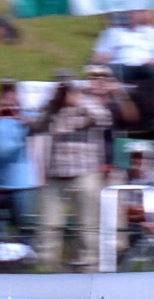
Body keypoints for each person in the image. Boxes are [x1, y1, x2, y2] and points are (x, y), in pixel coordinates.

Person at [35, 74, 113, 270]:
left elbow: (105, 118)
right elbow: (37, 126)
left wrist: (79, 99)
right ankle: (46, 269)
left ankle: (89, 270)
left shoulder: (89, 103)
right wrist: (54, 101)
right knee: (48, 226)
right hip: (56, 175)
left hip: (85, 174)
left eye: (68, 88)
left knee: (87, 227)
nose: (66, 93)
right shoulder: (53, 108)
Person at [91, 9, 154, 82]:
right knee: (113, 70)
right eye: (130, 11)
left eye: (139, 11)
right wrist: (104, 57)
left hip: (146, 69)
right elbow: (97, 59)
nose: (131, 14)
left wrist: (150, 61)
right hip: (120, 69)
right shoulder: (112, 32)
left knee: (148, 71)